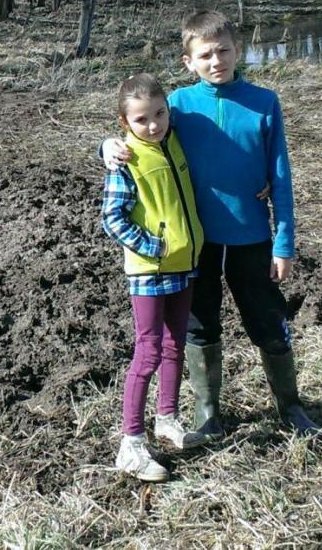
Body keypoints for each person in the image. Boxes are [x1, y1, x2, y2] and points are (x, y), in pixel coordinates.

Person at [102, 10, 322, 439]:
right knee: (200, 325)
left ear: (238, 50)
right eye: (205, 54)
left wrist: (284, 242)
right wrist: (106, 146)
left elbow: (281, 177)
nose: (216, 61)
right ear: (188, 61)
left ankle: (290, 406)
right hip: (195, 243)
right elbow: (137, 132)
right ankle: (208, 414)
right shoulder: (179, 106)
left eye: (224, 51)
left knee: (266, 319)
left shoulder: (264, 103)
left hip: (252, 236)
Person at [102, 73, 209, 483]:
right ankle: (130, 444)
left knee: (174, 345)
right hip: (150, 270)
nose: (154, 124)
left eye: (160, 114)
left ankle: (167, 418)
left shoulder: (173, 140)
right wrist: (154, 246)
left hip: (184, 263)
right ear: (124, 122)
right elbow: (112, 218)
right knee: (147, 352)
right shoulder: (126, 159)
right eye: (142, 119)